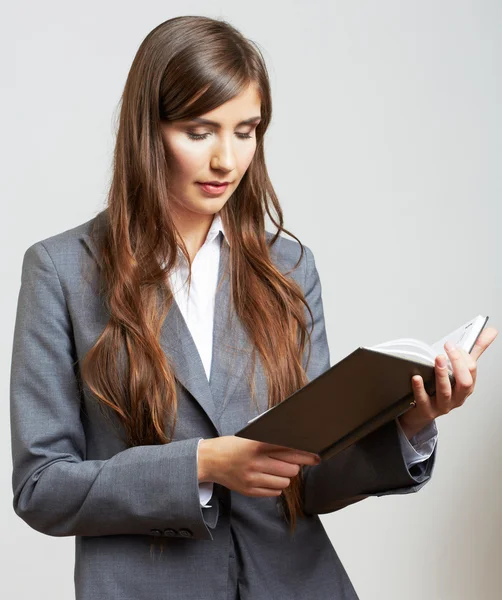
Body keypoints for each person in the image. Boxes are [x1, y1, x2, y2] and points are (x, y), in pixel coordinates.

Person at [9, 15, 497, 600]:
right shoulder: (61, 271)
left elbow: (312, 477)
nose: (227, 160)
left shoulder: (288, 268)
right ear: (148, 131)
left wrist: (414, 421)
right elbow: (42, 487)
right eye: (199, 131)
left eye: (247, 130)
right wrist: (201, 464)